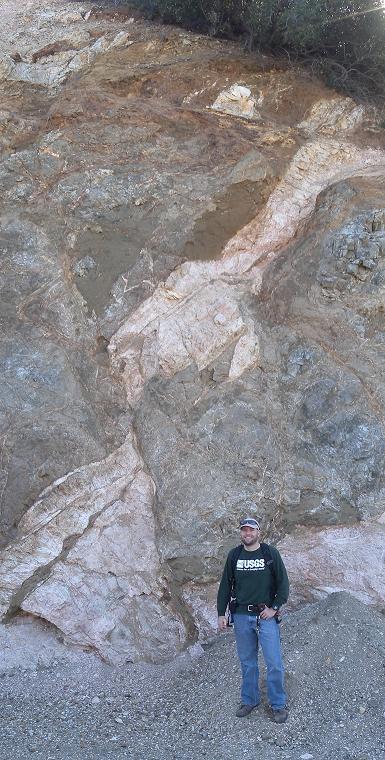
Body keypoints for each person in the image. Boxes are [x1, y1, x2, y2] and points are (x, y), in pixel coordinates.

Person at [217, 517, 289, 723]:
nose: (247, 534)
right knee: (248, 662)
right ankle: (250, 700)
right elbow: (225, 587)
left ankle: (278, 704)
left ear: (258, 532)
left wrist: (273, 609)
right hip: (240, 616)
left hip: (265, 616)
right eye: (244, 530)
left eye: (251, 530)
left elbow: (283, 585)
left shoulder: (269, 553)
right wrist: (221, 613)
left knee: (274, 662)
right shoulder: (234, 556)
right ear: (240, 533)